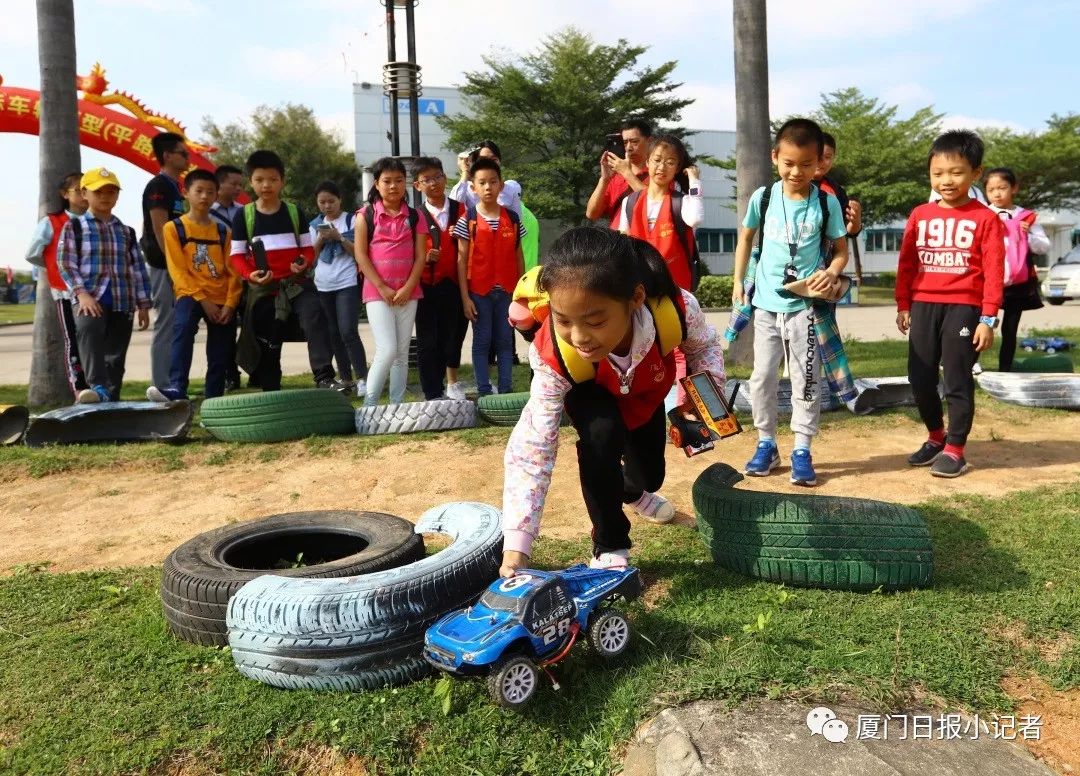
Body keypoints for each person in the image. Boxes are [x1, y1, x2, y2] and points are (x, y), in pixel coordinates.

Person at [499, 228, 725, 576]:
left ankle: (633, 491)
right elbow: (532, 448)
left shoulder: (675, 309)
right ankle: (610, 543)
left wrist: (705, 402)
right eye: (563, 321)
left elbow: (703, 348)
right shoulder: (553, 356)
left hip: (645, 397)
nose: (579, 337)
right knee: (601, 436)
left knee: (650, 477)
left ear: (635, 298)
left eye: (595, 321)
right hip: (592, 396)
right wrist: (517, 546)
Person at [731, 119, 849, 487]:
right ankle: (766, 443)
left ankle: (802, 449)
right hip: (766, 307)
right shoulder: (763, 197)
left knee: (806, 379)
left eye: (806, 164)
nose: (796, 171)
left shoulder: (826, 204)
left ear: (819, 164)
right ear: (775, 158)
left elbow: (841, 252)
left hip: (806, 310)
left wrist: (831, 271)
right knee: (762, 377)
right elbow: (746, 239)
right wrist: (738, 282)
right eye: (789, 163)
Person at [895, 130, 1004, 478]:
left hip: (964, 308)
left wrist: (988, 318)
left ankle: (956, 448)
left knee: (957, 378)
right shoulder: (920, 214)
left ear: (975, 173)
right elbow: (907, 263)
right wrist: (903, 303)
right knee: (920, 377)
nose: (946, 180)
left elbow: (993, 271)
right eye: (938, 173)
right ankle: (936, 436)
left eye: (956, 172)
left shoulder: (986, 218)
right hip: (923, 304)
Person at [229, 150, 337, 392]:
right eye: (259, 180)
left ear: (282, 181)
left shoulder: (293, 211)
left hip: (296, 283)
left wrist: (303, 262)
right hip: (264, 289)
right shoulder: (243, 215)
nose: (266, 185)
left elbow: (308, 249)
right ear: (251, 182)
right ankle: (270, 387)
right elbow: (236, 256)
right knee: (269, 339)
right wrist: (250, 275)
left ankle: (324, 377)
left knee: (314, 317)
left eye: (272, 179)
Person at [57, 167, 151, 403]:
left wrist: (143, 304)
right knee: (89, 335)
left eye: (111, 191)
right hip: (90, 300)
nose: (105, 196)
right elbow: (66, 263)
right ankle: (96, 388)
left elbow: (138, 268)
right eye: (98, 191)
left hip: (123, 301)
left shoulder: (126, 232)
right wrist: (82, 294)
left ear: (118, 196)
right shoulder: (75, 227)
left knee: (116, 355)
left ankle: (112, 400)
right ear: (84, 194)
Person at [146, 168, 241, 401]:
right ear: (185, 193)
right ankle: (177, 387)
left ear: (217, 195)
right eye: (198, 191)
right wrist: (203, 300)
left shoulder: (223, 232)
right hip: (190, 294)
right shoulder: (174, 228)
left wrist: (230, 304)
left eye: (210, 192)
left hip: (221, 298)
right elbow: (178, 271)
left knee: (220, 350)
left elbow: (234, 272)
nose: (204, 197)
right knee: (183, 330)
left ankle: (214, 399)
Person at [354, 157, 428, 406]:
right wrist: (383, 287)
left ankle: (397, 405)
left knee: (402, 354)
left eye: (398, 181)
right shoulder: (365, 215)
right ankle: (370, 406)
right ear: (376, 183)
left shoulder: (416, 216)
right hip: (377, 293)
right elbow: (361, 255)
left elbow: (420, 258)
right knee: (387, 350)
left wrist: (407, 288)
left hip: (409, 292)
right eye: (387, 181)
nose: (393, 186)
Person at [454, 157, 526, 397]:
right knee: (482, 342)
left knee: (505, 342)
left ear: (501, 185)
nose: (488, 187)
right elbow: (461, 261)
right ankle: (484, 390)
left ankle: (505, 390)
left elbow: (519, 258)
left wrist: (522, 294)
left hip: (507, 292)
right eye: (482, 183)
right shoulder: (468, 219)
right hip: (479, 293)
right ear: (473, 187)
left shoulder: (513, 219)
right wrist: (465, 298)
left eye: (493, 182)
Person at [25, 171, 89, 397]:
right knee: (73, 338)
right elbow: (33, 253)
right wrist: (55, 266)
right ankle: (80, 388)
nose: (84, 195)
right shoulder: (52, 222)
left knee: (93, 339)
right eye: (78, 190)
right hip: (65, 291)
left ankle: (98, 384)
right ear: (64, 194)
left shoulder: (96, 222)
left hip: (94, 291)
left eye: (87, 189)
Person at [984, 168, 1050, 372]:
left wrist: (1027, 235)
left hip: (1018, 282)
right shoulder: (983, 214)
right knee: (982, 322)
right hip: (987, 281)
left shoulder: (1026, 217)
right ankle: (969, 365)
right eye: (991, 189)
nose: (997, 193)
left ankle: (1005, 370)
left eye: (1002, 188)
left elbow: (1044, 246)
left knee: (1010, 328)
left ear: (1014, 188)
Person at [412, 156, 467, 401]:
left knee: (451, 339)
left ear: (445, 178)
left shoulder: (462, 209)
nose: (433, 183)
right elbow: (408, 253)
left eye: (437, 177)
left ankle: (446, 385)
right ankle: (432, 393)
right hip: (425, 286)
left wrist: (462, 237)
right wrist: (424, 258)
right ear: (417, 186)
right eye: (427, 180)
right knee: (427, 341)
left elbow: (475, 245)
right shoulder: (415, 216)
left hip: (455, 285)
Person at [142, 131, 190, 390]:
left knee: (177, 325)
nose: (188, 158)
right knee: (166, 323)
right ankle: (160, 386)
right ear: (167, 156)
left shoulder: (176, 187)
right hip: (164, 265)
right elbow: (160, 228)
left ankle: (173, 382)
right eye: (183, 154)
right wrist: (174, 264)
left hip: (178, 264)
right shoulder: (158, 186)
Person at [310, 180, 367, 396]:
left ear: (339, 200)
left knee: (348, 331)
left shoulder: (352, 220)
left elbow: (359, 253)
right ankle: (345, 379)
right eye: (322, 202)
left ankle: (363, 378)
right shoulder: (314, 224)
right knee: (334, 334)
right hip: (323, 285)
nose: (327, 206)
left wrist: (339, 237)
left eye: (331, 201)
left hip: (347, 283)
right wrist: (320, 240)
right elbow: (310, 259)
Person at [210, 164, 245, 390]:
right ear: (219, 185)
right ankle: (230, 374)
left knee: (253, 325)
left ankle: (258, 371)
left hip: (245, 274)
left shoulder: (243, 211)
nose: (237, 188)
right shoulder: (206, 215)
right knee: (227, 330)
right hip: (221, 278)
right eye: (232, 183)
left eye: (239, 184)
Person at [585, 119, 652, 229]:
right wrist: (604, 179)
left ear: (649, 141)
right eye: (625, 142)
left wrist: (626, 173)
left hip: (645, 242)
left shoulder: (658, 173)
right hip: (618, 242)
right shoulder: (615, 177)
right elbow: (591, 214)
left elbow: (655, 204)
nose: (629, 148)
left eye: (635, 142)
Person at [450, 140, 523, 215]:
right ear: (474, 163)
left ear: (499, 161)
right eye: (483, 160)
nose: (489, 164)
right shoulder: (467, 189)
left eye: (494, 159)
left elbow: (516, 222)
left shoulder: (510, 189)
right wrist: (465, 172)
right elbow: (453, 208)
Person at [814, 132, 862, 238]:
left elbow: (847, 232)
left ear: (833, 158)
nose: (821, 161)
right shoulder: (789, 186)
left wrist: (856, 222)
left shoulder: (835, 189)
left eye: (827, 157)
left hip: (829, 253)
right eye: (816, 156)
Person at [210, 164, 244, 230]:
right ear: (218, 184)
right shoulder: (206, 212)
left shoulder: (243, 210)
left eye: (240, 185)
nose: (239, 188)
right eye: (234, 184)